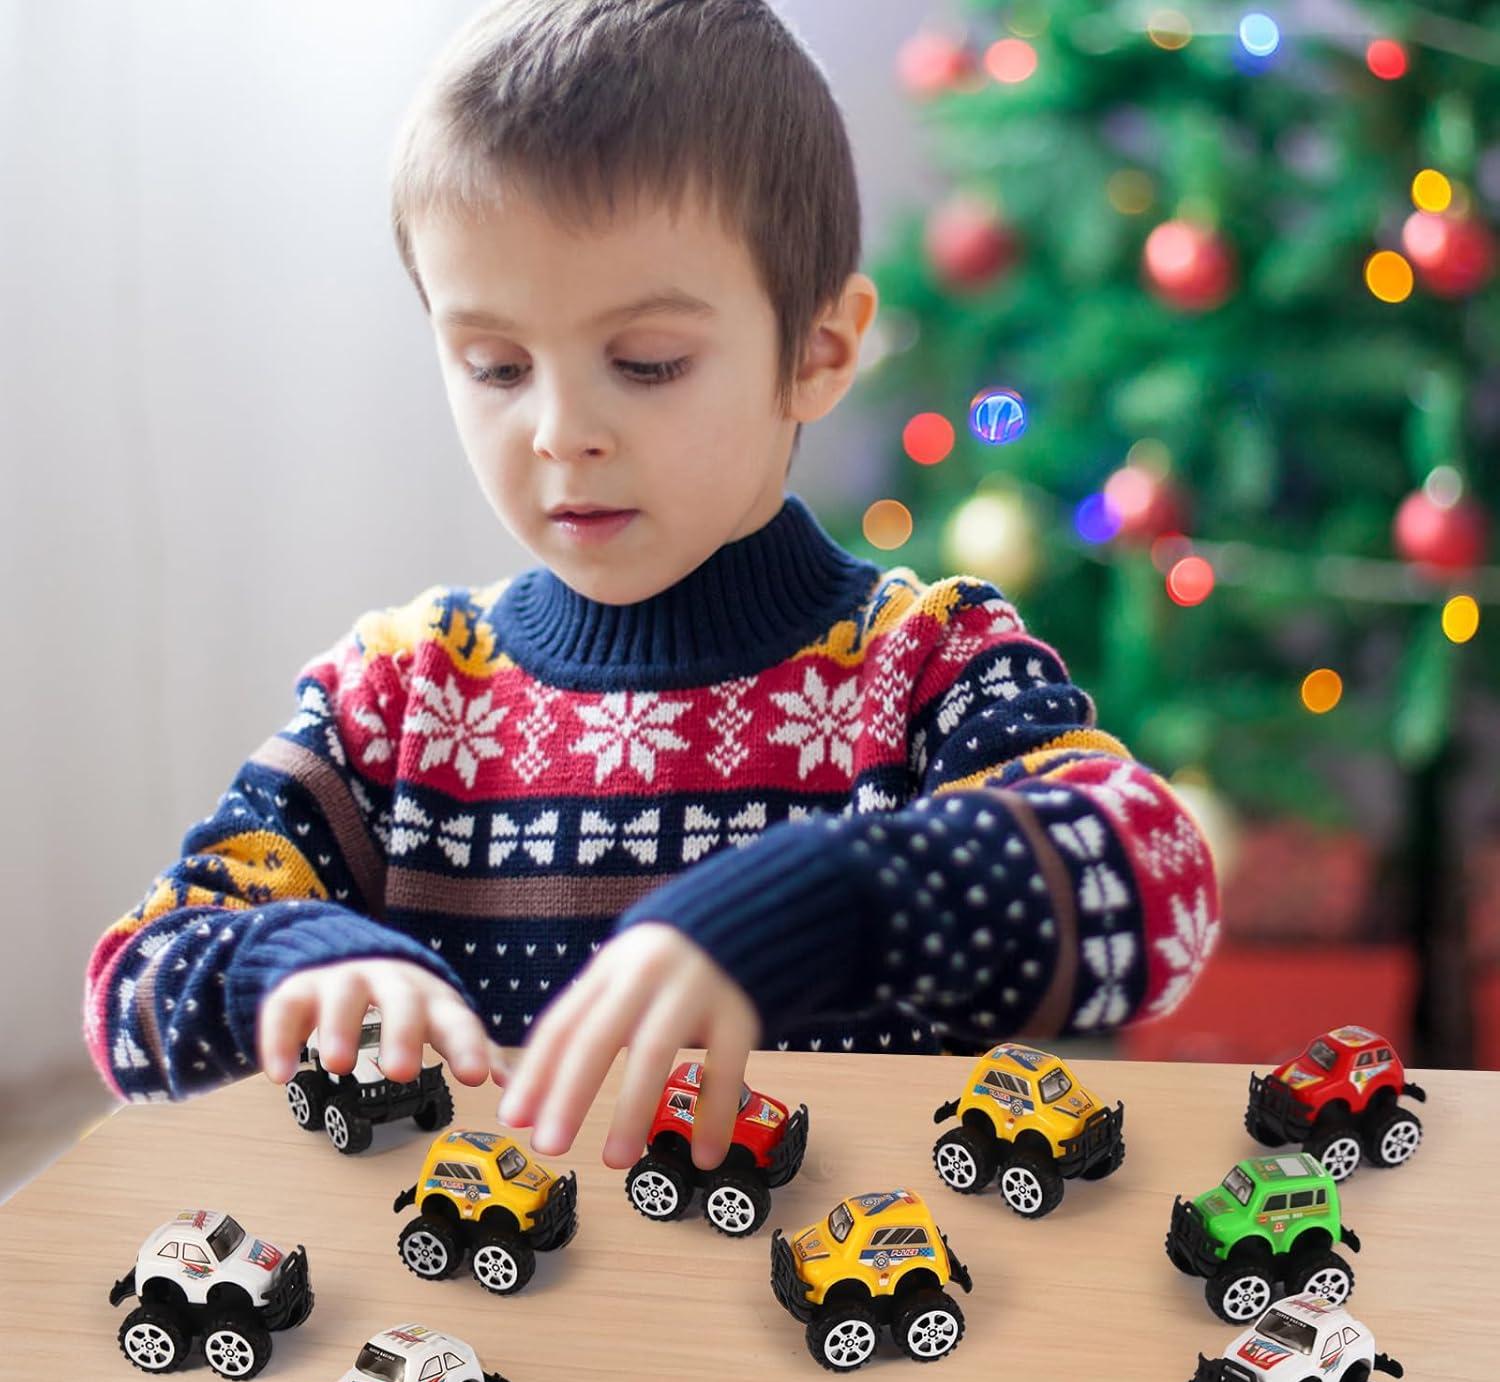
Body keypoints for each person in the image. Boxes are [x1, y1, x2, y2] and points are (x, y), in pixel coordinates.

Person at [83, 0, 1221, 1174]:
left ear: (819, 350)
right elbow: (134, 984)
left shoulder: (921, 665)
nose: (562, 432)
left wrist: (828, 907)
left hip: (835, 1299)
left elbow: (1160, 877)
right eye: (496, 366)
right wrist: (299, 959)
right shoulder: (400, 696)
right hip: (493, 1320)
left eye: (647, 364)